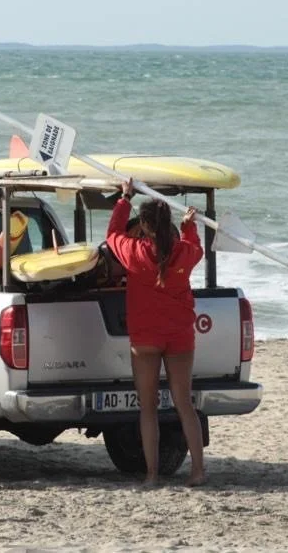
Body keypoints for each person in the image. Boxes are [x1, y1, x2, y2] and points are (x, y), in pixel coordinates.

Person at [104, 179, 206, 487]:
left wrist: (124, 199)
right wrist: (189, 226)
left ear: (145, 227)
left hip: (146, 337)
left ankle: (151, 475)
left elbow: (112, 235)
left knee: (147, 408)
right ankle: (198, 472)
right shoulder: (184, 253)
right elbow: (195, 248)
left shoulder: (135, 252)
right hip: (178, 336)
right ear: (168, 226)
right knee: (184, 404)